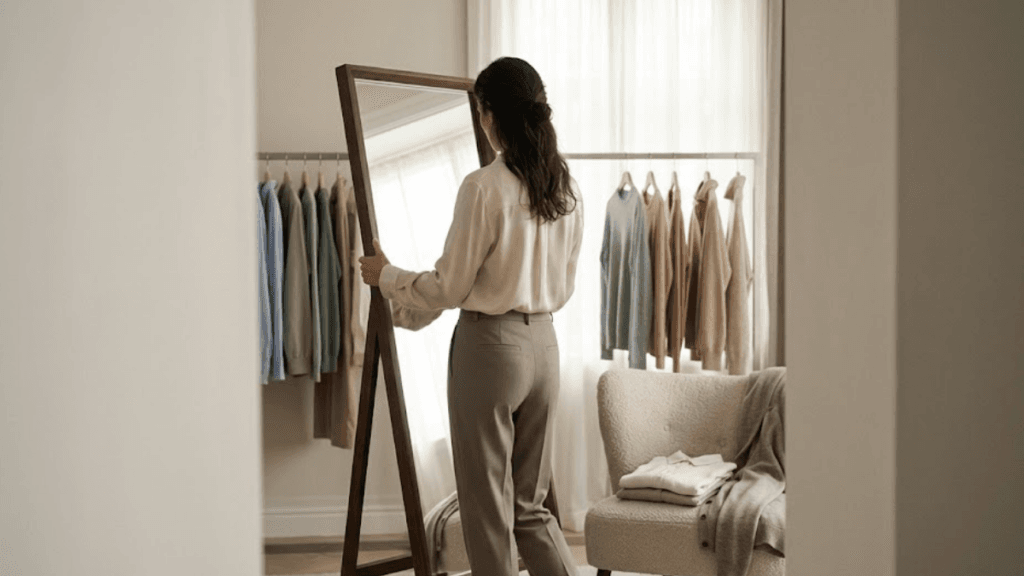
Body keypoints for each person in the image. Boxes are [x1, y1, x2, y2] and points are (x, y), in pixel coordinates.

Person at [359, 56, 583, 576]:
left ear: (487, 115)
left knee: (488, 511)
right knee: (531, 507)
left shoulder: (483, 187)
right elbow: (564, 287)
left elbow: (448, 287)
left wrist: (387, 274)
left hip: (490, 351)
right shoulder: (567, 188)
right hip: (546, 345)